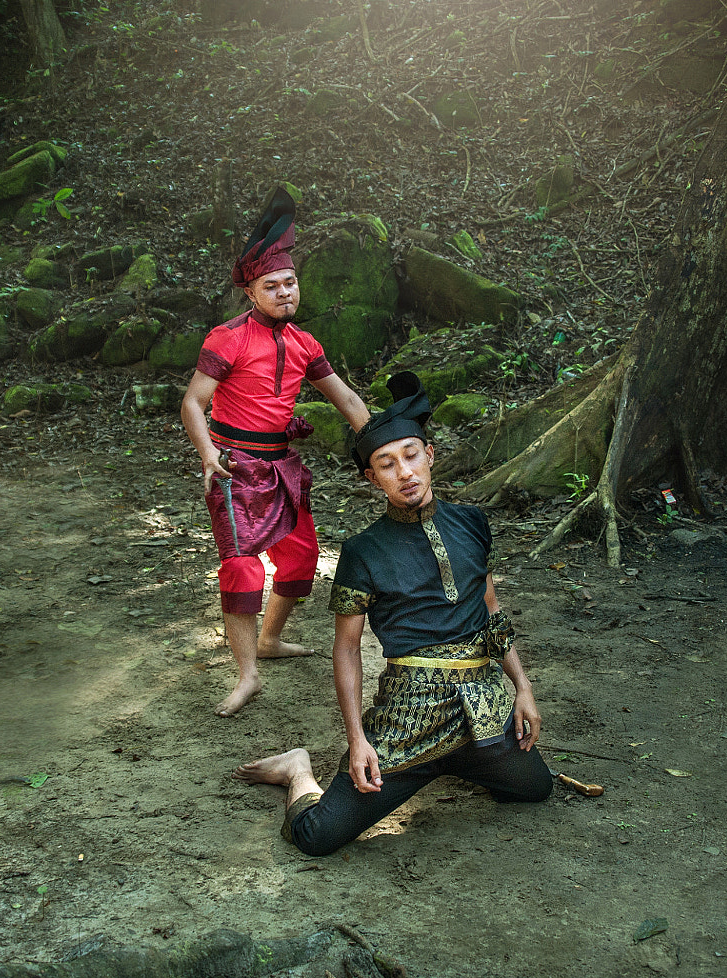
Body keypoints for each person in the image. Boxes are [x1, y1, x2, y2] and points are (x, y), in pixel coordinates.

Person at [235, 373, 553, 855]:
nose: (404, 472)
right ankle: (297, 769)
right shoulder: (363, 552)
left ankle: (464, 762)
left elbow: (490, 609)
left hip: (483, 712)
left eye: (410, 455)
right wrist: (358, 740)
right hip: (408, 720)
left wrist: (523, 688)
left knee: (535, 789)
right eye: (386, 464)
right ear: (372, 478)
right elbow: (346, 650)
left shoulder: (471, 523)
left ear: (430, 455)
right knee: (318, 837)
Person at [181, 187, 371, 717]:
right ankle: (247, 675)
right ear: (251, 293)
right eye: (273, 285)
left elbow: (349, 400)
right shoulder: (228, 339)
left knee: (301, 558)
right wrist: (206, 455)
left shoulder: (307, 342)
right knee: (241, 569)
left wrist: (385, 447)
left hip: (284, 466)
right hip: (236, 467)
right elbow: (193, 404)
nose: (285, 292)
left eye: (290, 282)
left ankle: (269, 638)